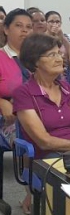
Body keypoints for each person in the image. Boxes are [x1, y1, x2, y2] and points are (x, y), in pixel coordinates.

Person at [13, 33, 70, 213]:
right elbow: (44, 141)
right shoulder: (24, 94)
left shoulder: (65, 87)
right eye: (52, 55)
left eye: (59, 53)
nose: (60, 58)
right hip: (46, 158)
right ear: (35, 61)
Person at [1, 9, 33, 145]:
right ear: (6, 29)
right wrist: (1, 102)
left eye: (28, 27)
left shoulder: (40, 58)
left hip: (41, 114)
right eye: (18, 26)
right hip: (9, 120)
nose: (24, 30)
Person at [45, 11, 70, 75]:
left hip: (64, 71)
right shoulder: (42, 38)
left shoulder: (66, 37)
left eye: (57, 22)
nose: (55, 24)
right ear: (46, 23)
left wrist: (62, 36)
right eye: (51, 21)